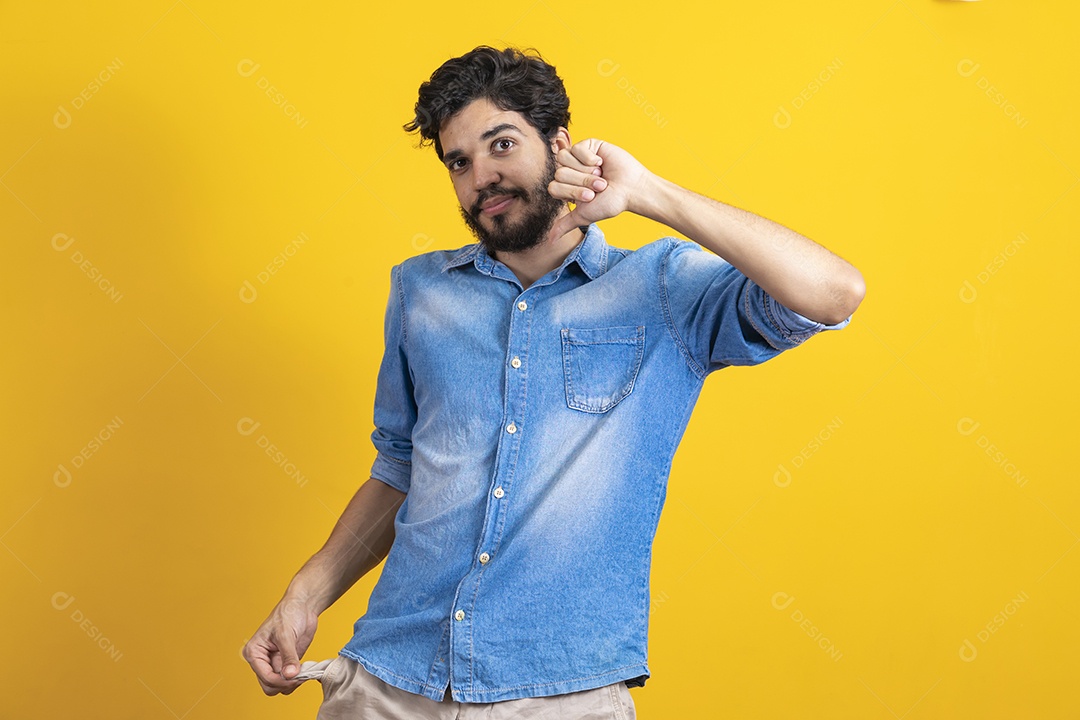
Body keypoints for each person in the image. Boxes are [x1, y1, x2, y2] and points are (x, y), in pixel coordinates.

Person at [242, 45, 865, 719]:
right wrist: (303, 596)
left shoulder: (661, 288)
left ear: (560, 144)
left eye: (500, 144)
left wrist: (649, 193)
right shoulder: (421, 291)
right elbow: (398, 470)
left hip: (560, 693)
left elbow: (833, 294)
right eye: (459, 162)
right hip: (389, 681)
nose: (482, 176)